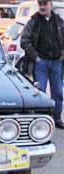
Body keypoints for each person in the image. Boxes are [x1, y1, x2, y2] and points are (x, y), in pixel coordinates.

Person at [21, 0, 64, 129]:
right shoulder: (33, 22)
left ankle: (56, 119)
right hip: (40, 63)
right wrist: (36, 58)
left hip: (56, 62)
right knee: (40, 93)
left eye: (45, 4)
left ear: (51, 5)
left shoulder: (59, 21)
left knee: (58, 93)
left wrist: (62, 55)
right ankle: (40, 122)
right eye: (40, 4)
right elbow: (24, 41)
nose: (42, 6)